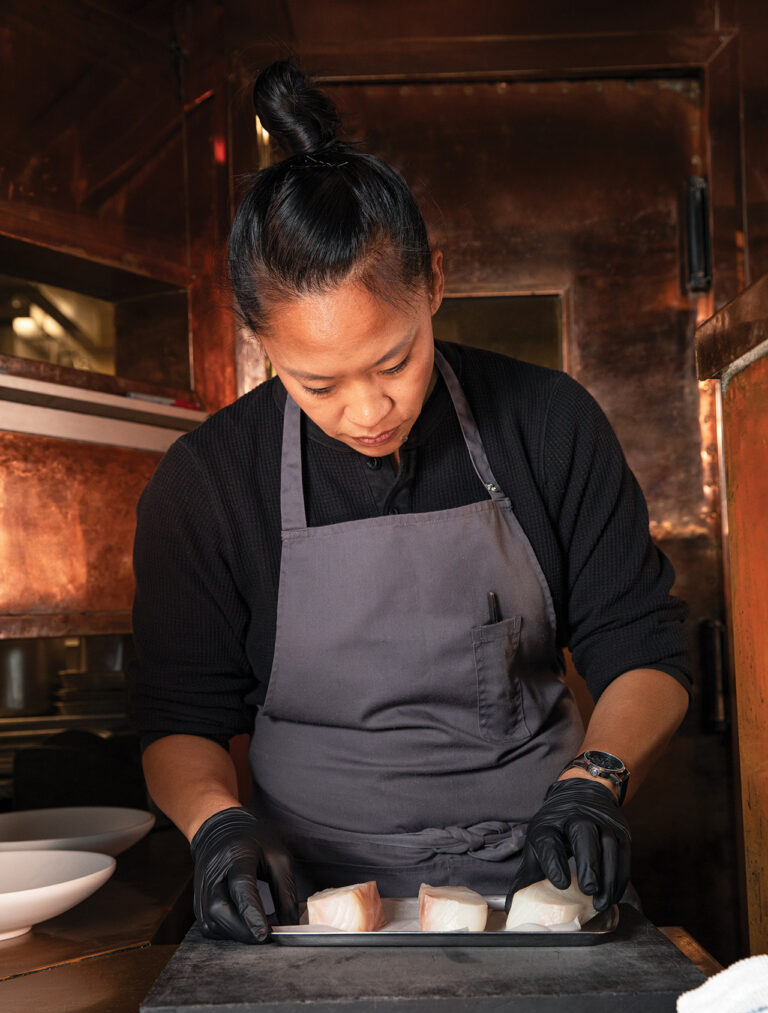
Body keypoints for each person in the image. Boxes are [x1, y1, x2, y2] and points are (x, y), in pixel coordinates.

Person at [131, 61, 691, 944]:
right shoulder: (209, 480)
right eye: (315, 383)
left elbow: (645, 645)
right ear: (259, 341)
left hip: (539, 883)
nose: (367, 410)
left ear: (433, 285)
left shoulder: (548, 423)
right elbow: (180, 714)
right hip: (304, 907)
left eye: (395, 361)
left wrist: (594, 782)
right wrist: (218, 825)